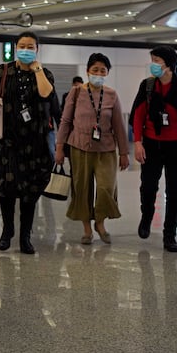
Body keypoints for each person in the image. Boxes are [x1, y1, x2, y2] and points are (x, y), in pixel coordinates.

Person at [0, 31, 55, 254]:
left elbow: (46, 94)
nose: (26, 50)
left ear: (37, 49)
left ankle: (25, 236)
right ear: (15, 48)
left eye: (31, 47)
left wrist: (38, 69)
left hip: (36, 143)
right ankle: (7, 230)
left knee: (31, 191)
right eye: (22, 46)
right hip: (8, 141)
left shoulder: (45, 73)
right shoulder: (3, 71)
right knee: (7, 189)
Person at [55, 53, 130, 245]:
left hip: (105, 148)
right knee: (82, 188)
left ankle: (100, 222)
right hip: (79, 147)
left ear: (107, 73)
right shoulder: (77, 92)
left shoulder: (111, 94)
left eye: (102, 70)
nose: (98, 73)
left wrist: (123, 153)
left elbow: (120, 126)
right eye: (95, 69)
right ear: (88, 71)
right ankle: (87, 229)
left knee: (106, 187)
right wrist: (59, 147)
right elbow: (65, 121)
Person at [131, 45, 177, 252]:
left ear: (169, 64)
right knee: (148, 187)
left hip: (176, 145)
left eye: (157, 60)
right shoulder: (147, 86)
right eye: (152, 60)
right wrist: (137, 142)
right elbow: (138, 115)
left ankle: (170, 235)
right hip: (151, 144)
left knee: (173, 192)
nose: (153, 65)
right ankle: (146, 216)